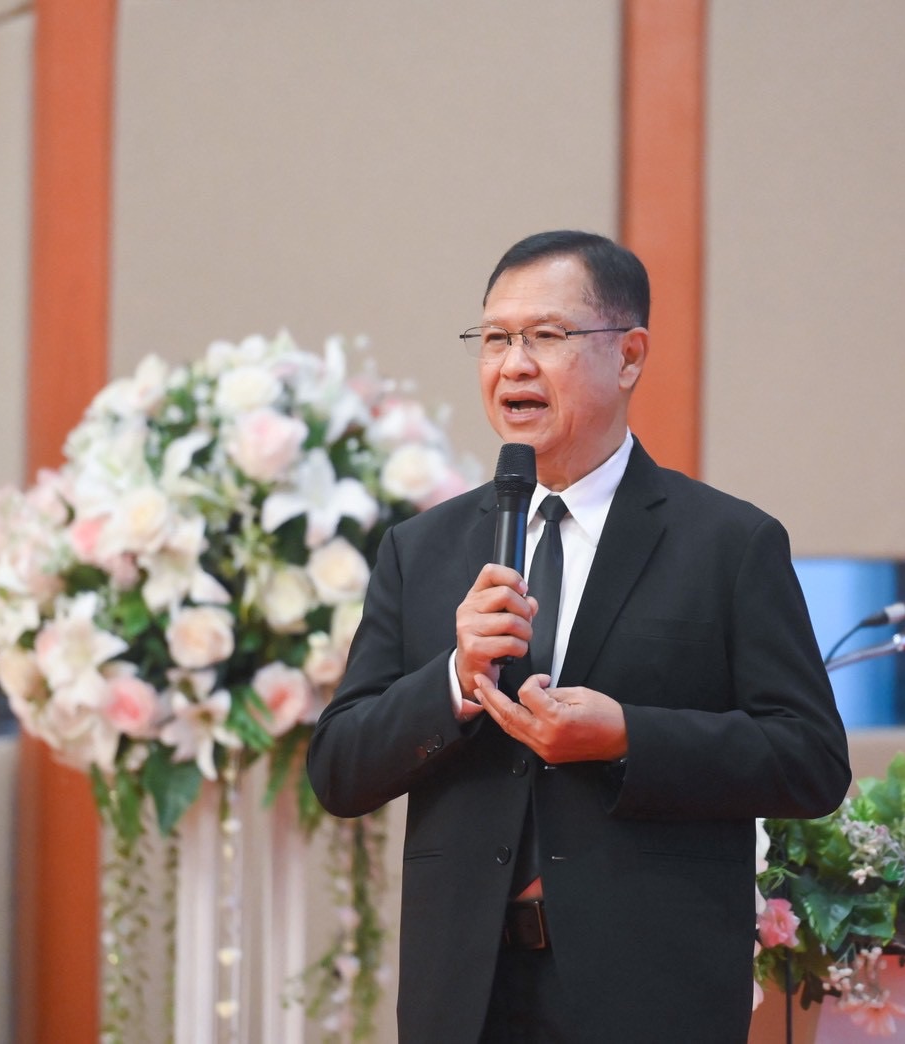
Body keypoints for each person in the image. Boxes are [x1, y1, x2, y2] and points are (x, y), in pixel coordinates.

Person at [307, 230, 849, 1043]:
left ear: (627, 356)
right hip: (467, 998)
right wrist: (452, 679)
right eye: (494, 338)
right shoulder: (421, 551)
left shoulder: (727, 544)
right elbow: (338, 770)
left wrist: (626, 736)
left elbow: (810, 760)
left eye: (546, 335)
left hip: (649, 997)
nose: (513, 365)